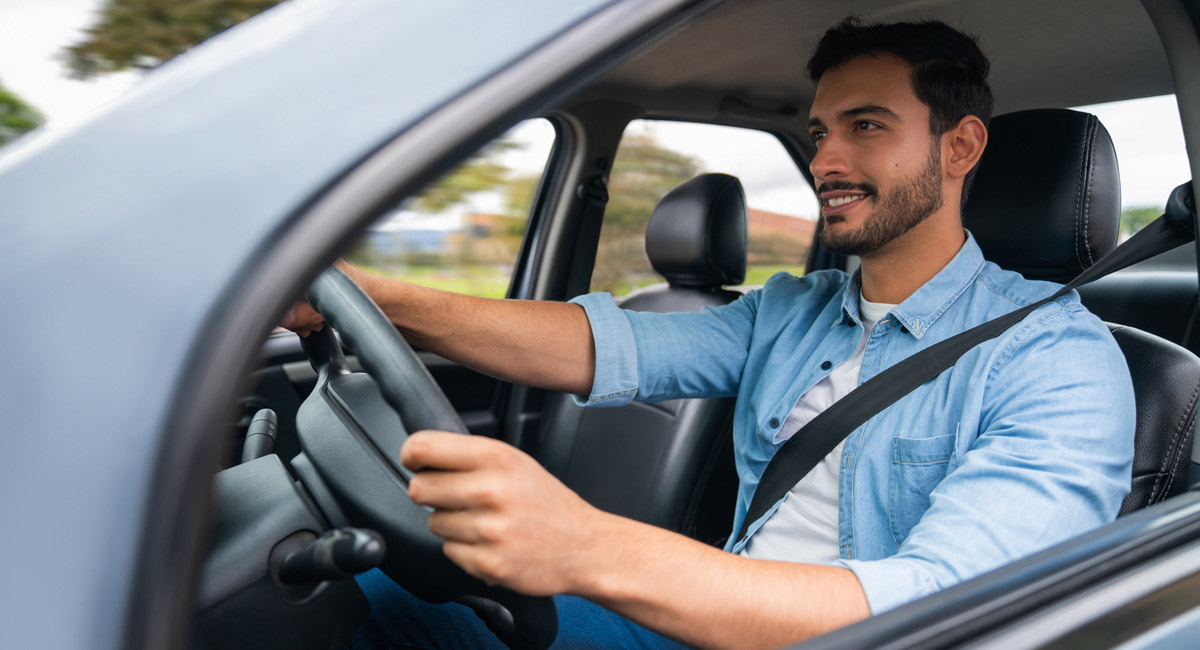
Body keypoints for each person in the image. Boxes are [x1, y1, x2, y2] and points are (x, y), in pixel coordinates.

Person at [285, 18, 1135, 650]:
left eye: (866, 127)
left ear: (960, 148)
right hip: (701, 627)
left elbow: (944, 602)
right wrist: (371, 295)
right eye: (819, 134)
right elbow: (594, 348)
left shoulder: (1056, 359)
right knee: (352, 589)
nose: (826, 162)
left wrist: (585, 546)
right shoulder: (791, 309)